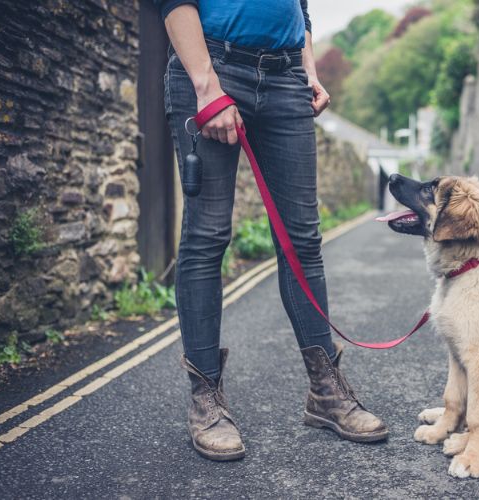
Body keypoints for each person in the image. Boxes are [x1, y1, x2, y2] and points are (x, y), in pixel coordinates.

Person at [156, 0, 388, 461]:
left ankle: (325, 392)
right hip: (212, 67)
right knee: (207, 238)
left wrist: (309, 69)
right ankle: (206, 400)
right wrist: (206, 86)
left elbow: (297, 8)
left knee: (302, 240)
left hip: (286, 81)